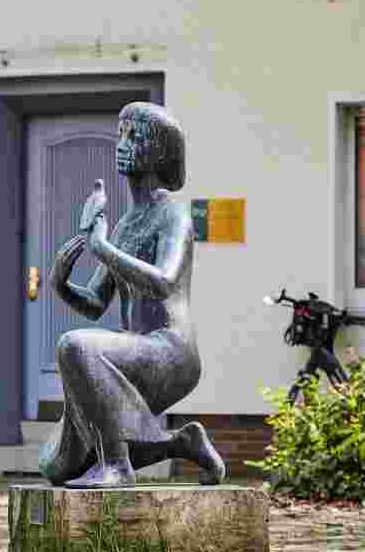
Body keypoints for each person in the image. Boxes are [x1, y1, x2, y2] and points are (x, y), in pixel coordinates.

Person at [39, 102, 226, 488]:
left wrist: (103, 247)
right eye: (120, 133)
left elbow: (164, 282)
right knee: (55, 466)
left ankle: (118, 466)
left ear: (159, 152)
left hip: (171, 350)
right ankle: (180, 442)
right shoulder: (124, 225)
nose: (121, 143)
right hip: (134, 350)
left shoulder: (174, 216)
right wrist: (60, 282)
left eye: (134, 136)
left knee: (74, 346)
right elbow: (94, 303)